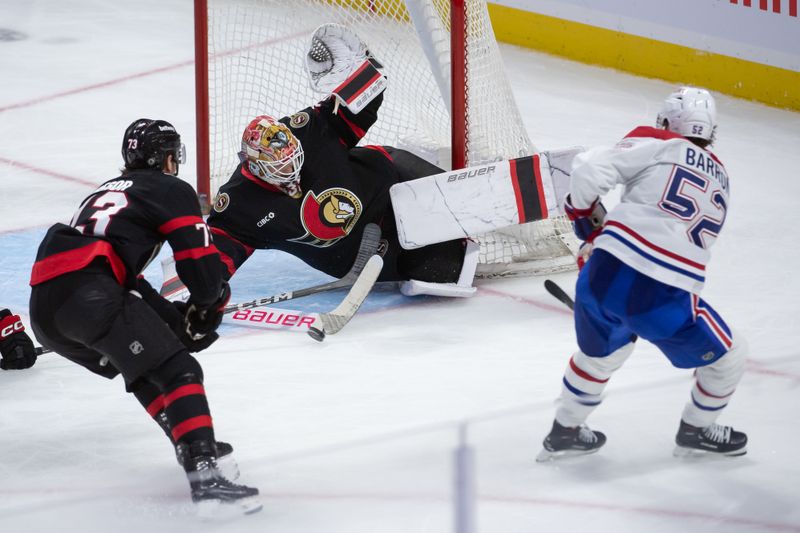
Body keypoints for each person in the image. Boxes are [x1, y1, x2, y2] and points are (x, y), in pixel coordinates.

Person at [28, 118, 261, 514]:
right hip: (90, 293)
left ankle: (191, 446)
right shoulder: (169, 188)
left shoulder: (103, 191)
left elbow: (124, 277)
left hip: (47, 308)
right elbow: (196, 258)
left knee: (145, 366)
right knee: (179, 371)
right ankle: (204, 476)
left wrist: (173, 321)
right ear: (166, 158)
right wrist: (207, 303)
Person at [183, 23, 479, 301]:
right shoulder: (238, 205)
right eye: (280, 167)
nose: (291, 169)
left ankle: (468, 203)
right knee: (448, 268)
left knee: (447, 193)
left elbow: (361, 107)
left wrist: (365, 68)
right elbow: (215, 257)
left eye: (292, 158)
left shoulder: (307, 129)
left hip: (388, 181)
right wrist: (205, 292)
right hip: (362, 252)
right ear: (257, 167)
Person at [537, 87, 748, 461]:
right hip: (664, 294)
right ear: (710, 133)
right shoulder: (723, 178)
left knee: (603, 353)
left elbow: (588, 168)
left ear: (667, 123)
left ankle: (565, 429)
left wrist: (587, 224)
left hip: (605, 272)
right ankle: (696, 428)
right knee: (729, 358)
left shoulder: (660, 142)